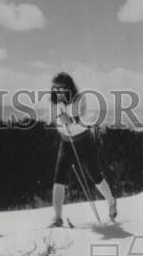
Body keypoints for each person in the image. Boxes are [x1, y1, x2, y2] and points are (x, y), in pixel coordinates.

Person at [48, 72, 117, 227]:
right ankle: (57, 218)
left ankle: (111, 201)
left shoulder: (80, 99)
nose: (58, 92)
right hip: (66, 143)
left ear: (69, 87)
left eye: (62, 88)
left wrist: (70, 119)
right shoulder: (54, 102)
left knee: (95, 176)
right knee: (59, 178)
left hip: (83, 142)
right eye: (56, 89)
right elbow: (55, 120)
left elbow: (86, 120)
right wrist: (60, 122)